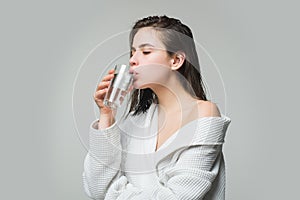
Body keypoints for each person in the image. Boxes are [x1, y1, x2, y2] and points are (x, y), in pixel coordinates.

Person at [83, 15, 231, 200]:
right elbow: (97, 188)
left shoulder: (204, 114)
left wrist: (116, 193)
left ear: (176, 60)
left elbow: (179, 196)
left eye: (145, 52)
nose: (133, 60)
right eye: (133, 52)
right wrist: (106, 115)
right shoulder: (136, 121)